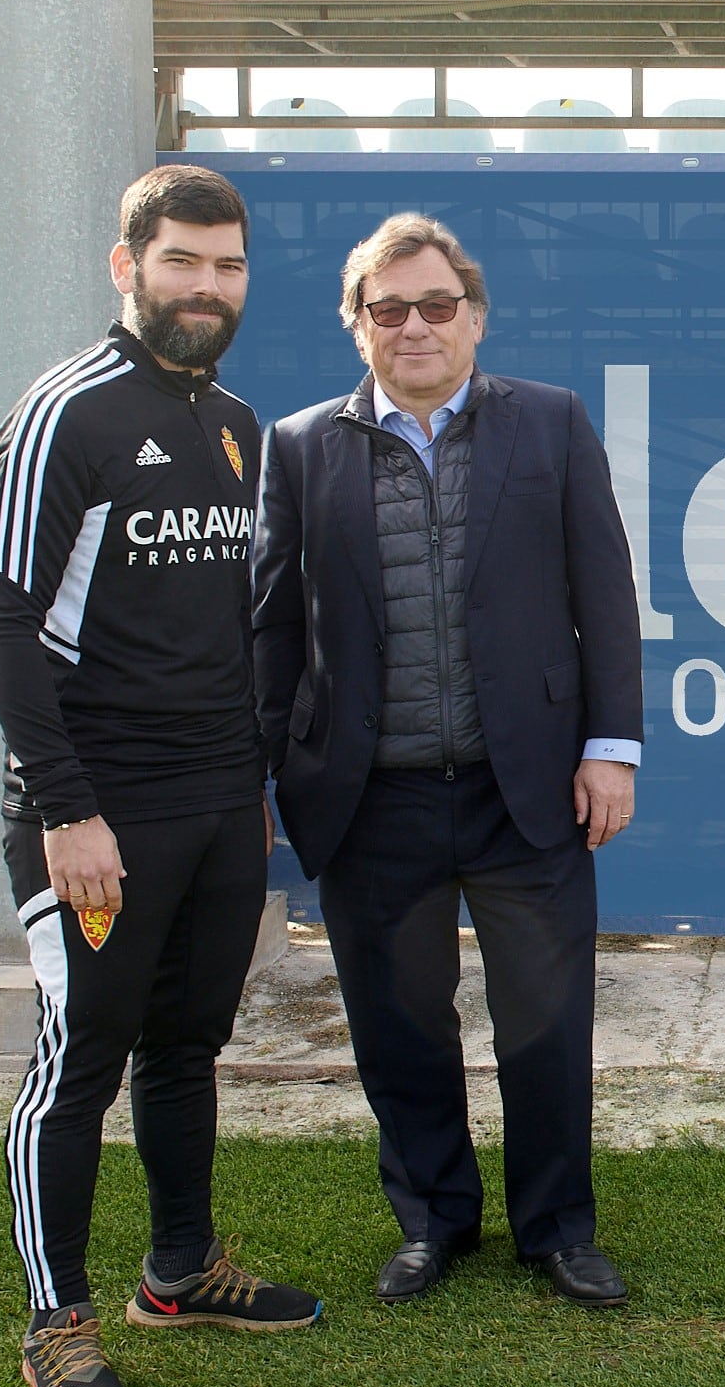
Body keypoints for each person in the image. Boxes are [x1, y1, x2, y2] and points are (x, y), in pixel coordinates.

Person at [0, 164, 324, 1387]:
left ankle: (179, 1270)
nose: (207, 286)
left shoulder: (235, 421)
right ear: (127, 267)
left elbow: (226, 629)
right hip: (95, 811)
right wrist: (66, 808)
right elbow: (4, 622)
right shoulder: (65, 411)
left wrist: (253, 794)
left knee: (189, 1046)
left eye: (227, 266)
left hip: (219, 803)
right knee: (79, 1066)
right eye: (183, 261)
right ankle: (54, 1322)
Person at [252, 213, 644, 1309]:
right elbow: (273, 627)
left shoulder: (552, 424)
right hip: (369, 799)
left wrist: (611, 749)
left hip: (529, 788)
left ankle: (558, 1227)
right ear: (358, 326)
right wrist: (270, 768)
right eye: (389, 308)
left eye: (435, 305)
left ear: (473, 315)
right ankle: (434, 1221)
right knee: (398, 1023)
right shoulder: (298, 446)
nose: (414, 325)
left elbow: (603, 596)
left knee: (548, 1020)